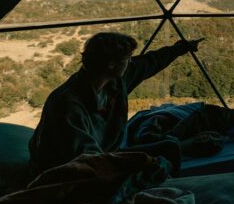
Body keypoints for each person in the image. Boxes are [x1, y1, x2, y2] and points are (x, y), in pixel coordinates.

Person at [28, 32, 202, 175]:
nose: (130, 63)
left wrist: (179, 48)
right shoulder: (67, 104)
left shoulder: (115, 81)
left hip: (104, 153)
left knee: (169, 147)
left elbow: (150, 62)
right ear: (112, 64)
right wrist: (140, 161)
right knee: (162, 155)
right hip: (70, 168)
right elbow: (87, 159)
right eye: (127, 58)